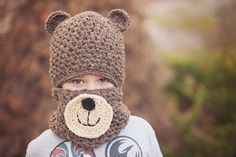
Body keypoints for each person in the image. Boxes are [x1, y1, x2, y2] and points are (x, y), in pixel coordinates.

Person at [26, 9, 163, 157]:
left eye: (103, 80)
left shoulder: (141, 132)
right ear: (59, 85)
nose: (91, 91)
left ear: (117, 82)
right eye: (77, 81)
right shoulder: (40, 148)